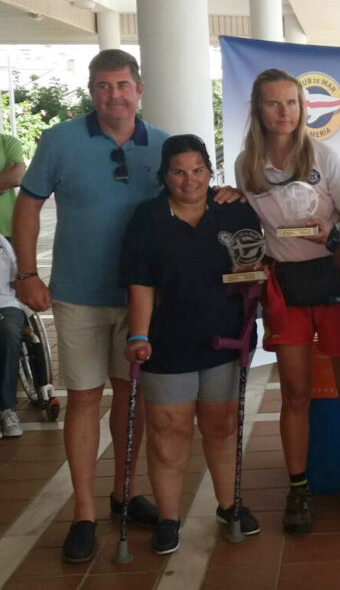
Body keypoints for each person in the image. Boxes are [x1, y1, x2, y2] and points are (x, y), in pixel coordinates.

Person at [11, 50, 241, 562]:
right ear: (91, 91)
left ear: (139, 89)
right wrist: (27, 273)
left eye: (121, 85)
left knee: (129, 399)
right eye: (101, 86)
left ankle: (122, 493)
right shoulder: (59, 140)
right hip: (78, 295)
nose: (112, 95)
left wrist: (224, 192)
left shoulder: (162, 146)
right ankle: (84, 515)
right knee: (85, 401)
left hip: (149, 305)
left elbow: (192, 191)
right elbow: (28, 203)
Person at [234, 68, 340, 536]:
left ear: (303, 109)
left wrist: (334, 234)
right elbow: (249, 225)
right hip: (288, 287)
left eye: (292, 103)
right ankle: (298, 488)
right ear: (258, 109)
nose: (284, 112)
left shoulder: (324, 155)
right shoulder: (247, 164)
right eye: (273, 103)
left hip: (334, 278)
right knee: (295, 394)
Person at [120, 135, 262, 554]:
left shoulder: (234, 210)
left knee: (221, 426)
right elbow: (140, 284)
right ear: (165, 176)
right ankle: (168, 517)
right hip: (166, 344)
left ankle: (229, 504)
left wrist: (255, 277)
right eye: (179, 171)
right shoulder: (147, 218)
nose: (190, 180)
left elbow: (255, 267)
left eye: (198, 170)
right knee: (169, 431)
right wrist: (138, 335)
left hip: (225, 340)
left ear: (209, 171)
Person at [0, 235, 26, 438]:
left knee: (9, 334)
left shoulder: (3, 244)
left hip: (5, 305)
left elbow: (17, 283)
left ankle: (7, 408)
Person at [0, 132, 26, 240]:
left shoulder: (8, 142)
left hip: (5, 229)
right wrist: (5, 180)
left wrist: (11, 177)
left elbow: (17, 177)